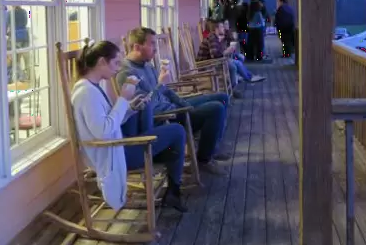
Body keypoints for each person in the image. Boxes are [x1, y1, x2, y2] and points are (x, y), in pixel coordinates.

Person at [71, 41, 188, 212]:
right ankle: (173, 188)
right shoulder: (86, 93)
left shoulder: (92, 87)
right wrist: (123, 99)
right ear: (102, 62)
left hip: (117, 143)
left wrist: (131, 107)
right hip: (111, 154)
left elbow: (110, 120)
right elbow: (103, 131)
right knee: (177, 131)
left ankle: (168, 167)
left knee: (145, 105)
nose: (118, 68)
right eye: (116, 63)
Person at [116, 27, 231, 176]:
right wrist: (160, 85)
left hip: (175, 106)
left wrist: (185, 104)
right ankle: (204, 159)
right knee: (216, 109)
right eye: (152, 44)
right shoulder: (126, 73)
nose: (156, 49)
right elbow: (144, 105)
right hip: (167, 117)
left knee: (222, 98)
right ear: (137, 47)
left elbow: (166, 90)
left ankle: (211, 148)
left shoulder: (147, 64)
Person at [198, 20, 265, 96]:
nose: (224, 28)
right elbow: (215, 55)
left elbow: (218, 52)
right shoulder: (212, 38)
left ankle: (248, 78)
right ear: (216, 29)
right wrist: (227, 51)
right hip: (206, 65)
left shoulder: (215, 37)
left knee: (236, 62)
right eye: (222, 27)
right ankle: (234, 89)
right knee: (233, 66)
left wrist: (227, 50)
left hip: (213, 61)